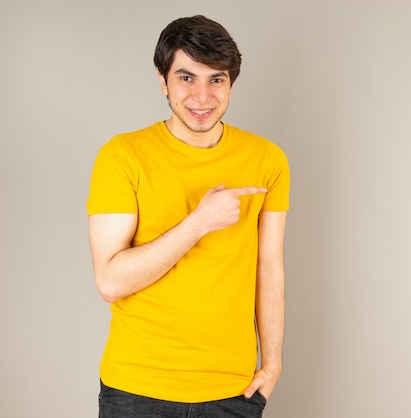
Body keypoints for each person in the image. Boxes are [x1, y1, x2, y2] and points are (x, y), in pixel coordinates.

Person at [87, 15, 290, 418]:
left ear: (231, 83)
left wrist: (272, 363)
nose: (202, 95)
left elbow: (269, 268)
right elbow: (110, 281)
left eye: (216, 79)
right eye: (186, 78)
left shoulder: (268, 160)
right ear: (163, 81)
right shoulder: (122, 157)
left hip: (233, 392)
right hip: (136, 389)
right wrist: (200, 222)